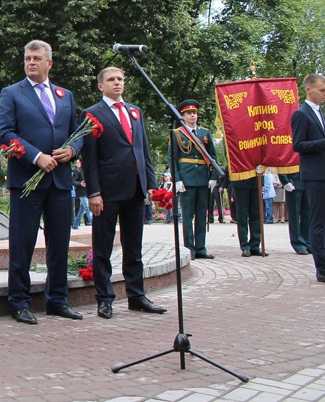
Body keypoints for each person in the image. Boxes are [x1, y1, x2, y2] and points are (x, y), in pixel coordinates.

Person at [0, 40, 83, 324]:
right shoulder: (11, 93)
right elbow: (6, 133)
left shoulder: (65, 95)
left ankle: (58, 300)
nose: (31, 62)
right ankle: (19, 302)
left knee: (60, 244)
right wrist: (36, 157)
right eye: (27, 58)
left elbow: (77, 132)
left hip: (59, 181)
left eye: (37, 58)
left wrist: (72, 150)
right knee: (22, 244)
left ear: (50, 63)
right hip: (26, 181)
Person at [80, 67, 167, 319]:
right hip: (107, 193)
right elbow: (89, 158)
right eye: (111, 79)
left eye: (120, 79)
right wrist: (93, 192)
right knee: (103, 248)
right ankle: (104, 299)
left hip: (135, 190)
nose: (117, 83)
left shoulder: (135, 112)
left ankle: (137, 296)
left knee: (134, 247)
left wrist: (151, 184)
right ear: (100, 86)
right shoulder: (91, 114)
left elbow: (143, 151)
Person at [168, 100, 218, 259]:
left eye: (194, 113)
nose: (193, 116)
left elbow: (213, 157)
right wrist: (177, 180)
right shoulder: (177, 133)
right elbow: (173, 159)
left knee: (202, 214)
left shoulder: (205, 133)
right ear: (182, 116)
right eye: (189, 113)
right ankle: (189, 249)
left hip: (203, 179)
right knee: (188, 216)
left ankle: (201, 248)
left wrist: (213, 177)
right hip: (186, 180)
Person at [291, 73, 325, 283]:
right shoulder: (301, 114)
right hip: (315, 176)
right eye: (322, 90)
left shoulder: (320, 113)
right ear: (309, 89)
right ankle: (321, 268)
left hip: (324, 172)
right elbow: (298, 145)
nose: (324, 94)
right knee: (317, 222)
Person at [232, 171, 267, 257]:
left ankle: (255, 245)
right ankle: (245, 246)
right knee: (242, 216)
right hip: (241, 178)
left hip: (256, 179)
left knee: (256, 214)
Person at [279, 172, 310, 255]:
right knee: (294, 215)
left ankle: (308, 242)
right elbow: (281, 162)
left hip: (309, 181)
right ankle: (298, 243)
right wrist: (285, 181)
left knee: (308, 215)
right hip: (293, 182)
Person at [71, 159, 91, 229]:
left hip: (87, 192)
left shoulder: (88, 170)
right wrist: (80, 184)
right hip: (81, 192)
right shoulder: (77, 171)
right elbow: (72, 181)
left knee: (82, 209)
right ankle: (93, 222)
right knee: (88, 208)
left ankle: (75, 224)